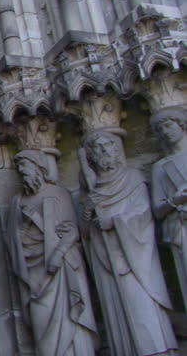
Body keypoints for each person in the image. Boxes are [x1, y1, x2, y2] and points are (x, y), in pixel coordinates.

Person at [79, 130, 177, 356]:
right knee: (118, 314)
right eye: (97, 148)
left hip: (134, 257)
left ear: (117, 150)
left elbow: (142, 214)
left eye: (107, 145)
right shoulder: (90, 191)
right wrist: (87, 210)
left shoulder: (133, 178)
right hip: (106, 261)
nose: (104, 150)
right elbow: (84, 234)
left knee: (142, 309)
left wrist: (114, 222)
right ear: (90, 156)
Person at [4, 150, 97, 356]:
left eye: (25, 165)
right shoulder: (17, 202)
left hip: (61, 268)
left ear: (39, 167)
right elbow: (11, 239)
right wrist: (24, 228)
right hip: (33, 273)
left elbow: (72, 231)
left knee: (71, 320)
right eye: (18, 168)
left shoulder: (58, 194)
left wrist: (57, 254)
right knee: (42, 330)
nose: (21, 171)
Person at [150, 106, 187, 307]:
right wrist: (175, 200)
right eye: (160, 129)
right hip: (182, 228)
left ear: (182, 125)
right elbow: (157, 210)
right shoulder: (161, 167)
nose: (165, 132)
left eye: (168, 125)